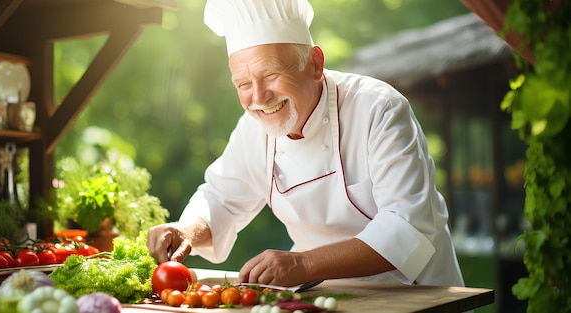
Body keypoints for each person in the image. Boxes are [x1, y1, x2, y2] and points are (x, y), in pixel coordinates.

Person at [147, 0, 465, 288]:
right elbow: (221, 199)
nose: (258, 98)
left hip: (415, 293)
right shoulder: (252, 130)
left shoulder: (378, 108)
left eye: (271, 74)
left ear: (315, 64)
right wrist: (186, 230)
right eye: (243, 84)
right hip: (324, 293)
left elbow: (406, 225)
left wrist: (304, 263)